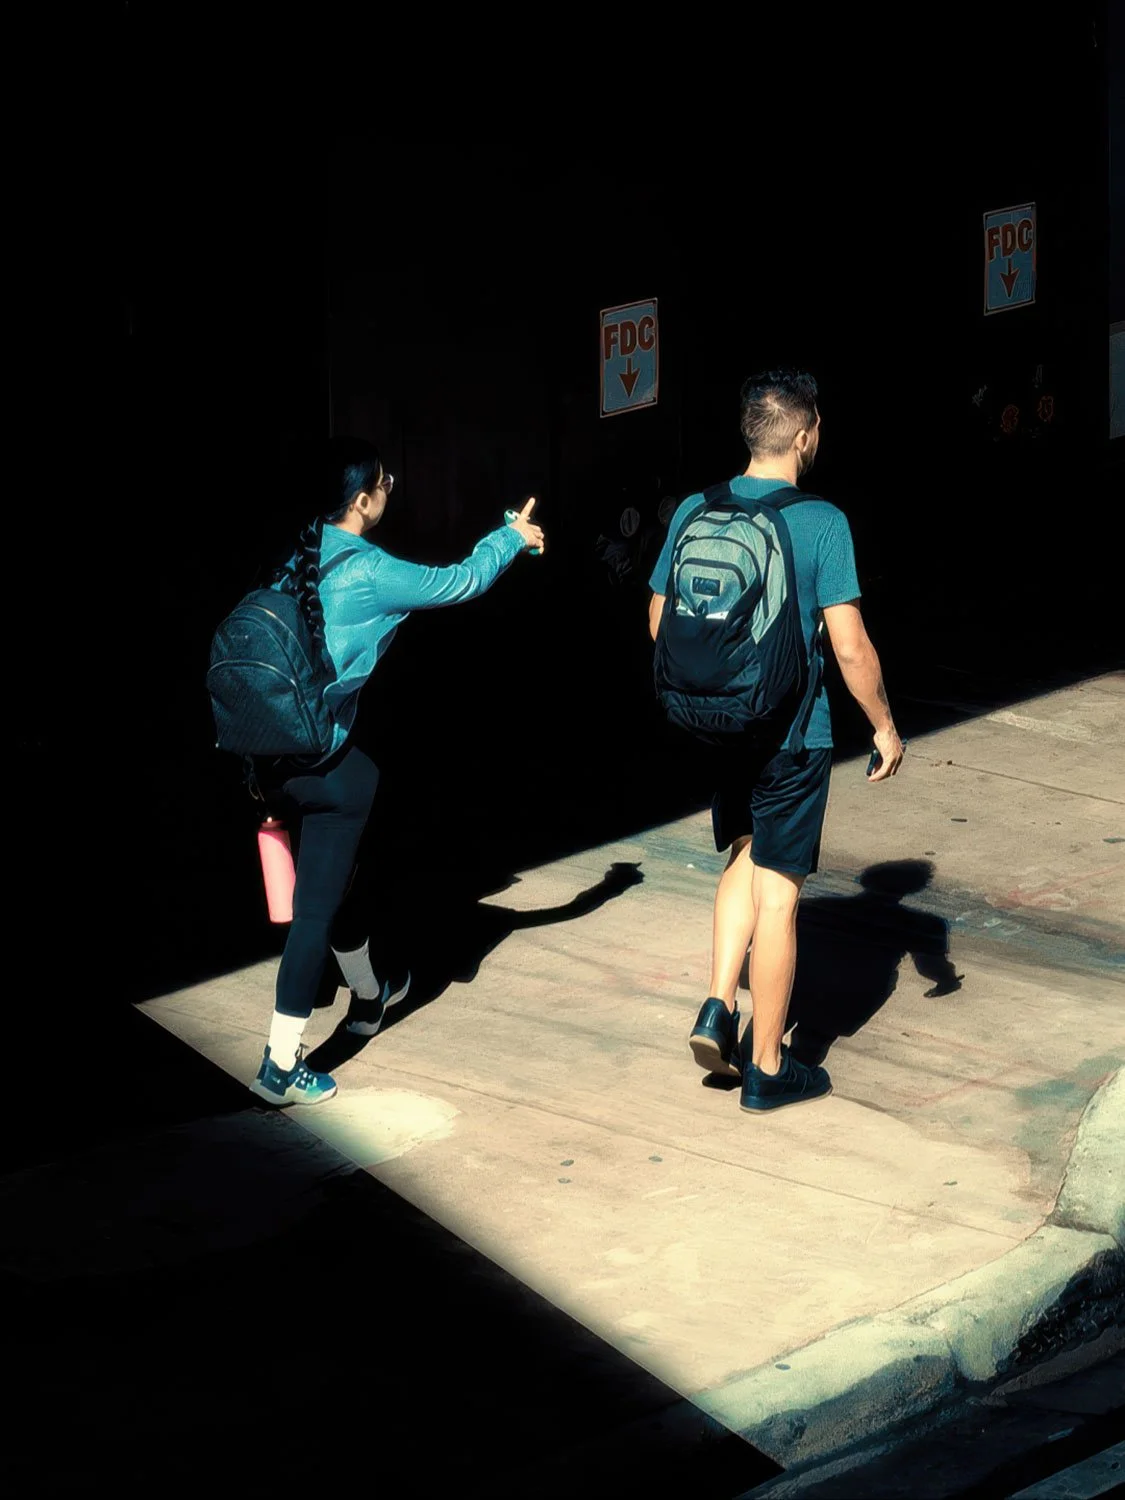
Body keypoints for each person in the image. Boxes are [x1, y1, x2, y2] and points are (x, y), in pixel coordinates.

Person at [247, 437, 545, 1106]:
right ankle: (280, 1062)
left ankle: (372, 994)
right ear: (361, 500)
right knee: (316, 911)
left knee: (338, 888)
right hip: (330, 767)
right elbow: (459, 582)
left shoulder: (292, 556)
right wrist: (510, 538)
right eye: (385, 481)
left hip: (270, 760)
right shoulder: (368, 571)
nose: (391, 487)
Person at [647, 370, 904, 1113]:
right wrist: (883, 726)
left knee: (744, 855)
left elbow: (659, 622)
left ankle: (717, 1005)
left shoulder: (697, 507)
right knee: (780, 898)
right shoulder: (820, 521)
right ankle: (766, 1066)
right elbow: (849, 648)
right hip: (792, 732)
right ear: (801, 436)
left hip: (718, 724)